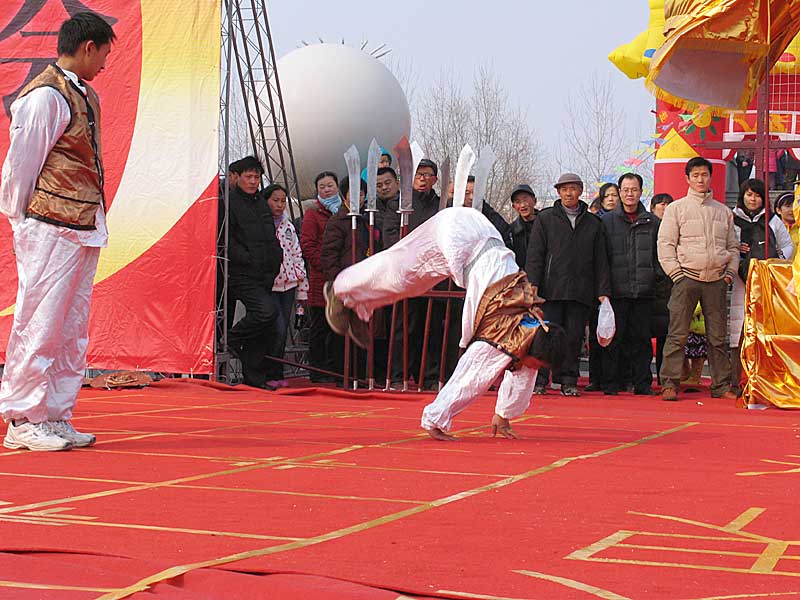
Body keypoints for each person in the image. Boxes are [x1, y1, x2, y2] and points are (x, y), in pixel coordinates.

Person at [323, 207, 566, 440]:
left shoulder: (534, 326)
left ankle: (356, 304)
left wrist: (503, 415)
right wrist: (435, 420)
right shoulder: (502, 337)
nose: (531, 369)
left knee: (411, 283)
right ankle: (340, 291)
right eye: (535, 364)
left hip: (477, 230)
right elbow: (469, 378)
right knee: (401, 276)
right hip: (459, 236)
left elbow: (524, 372)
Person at [0, 13, 115, 451]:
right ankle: (22, 418)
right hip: (48, 228)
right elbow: (20, 167)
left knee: (70, 329)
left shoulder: (86, 95)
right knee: (39, 324)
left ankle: (55, 414)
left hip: (82, 227)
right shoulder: (45, 97)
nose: (105, 62)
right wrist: (22, 222)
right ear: (89, 47)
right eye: (104, 52)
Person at [657, 157, 739, 401]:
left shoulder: (723, 211)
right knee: (677, 334)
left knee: (717, 336)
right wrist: (676, 274)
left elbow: (733, 247)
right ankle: (670, 383)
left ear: (710, 177)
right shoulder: (676, 209)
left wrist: (728, 275)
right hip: (686, 278)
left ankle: (721, 385)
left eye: (704, 174)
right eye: (696, 175)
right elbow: (665, 244)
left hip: (716, 279)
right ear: (688, 179)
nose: (700, 179)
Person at [525, 173, 611, 397]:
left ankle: (568, 380)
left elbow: (601, 259)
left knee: (574, 338)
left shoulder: (593, 223)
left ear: (580, 191)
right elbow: (535, 255)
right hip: (550, 290)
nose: (568, 193)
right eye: (564, 189)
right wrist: (532, 284)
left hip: (581, 290)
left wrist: (603, 292)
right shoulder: (545, 219)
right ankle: (540, 380)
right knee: (546, 335)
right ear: (558, 192)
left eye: (573, 189)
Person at [728, 178, 793, 390]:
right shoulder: (732, 219)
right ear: (742, 196)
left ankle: (768, 379)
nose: (753, 199)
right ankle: (736, 380)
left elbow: (787, 246)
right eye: (748, 194)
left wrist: (776, 260)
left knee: (766, 329)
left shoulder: (773, 220)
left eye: (757, 195)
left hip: (766, 281)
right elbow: (726, 243)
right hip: (740, 280)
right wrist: (736, 249)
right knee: (739, 327)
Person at [600, 173, 660, 395]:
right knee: (613, 340)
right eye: (625, 190)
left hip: (644, 290)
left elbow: (658, 256)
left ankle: (642, 383)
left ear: (641, 192)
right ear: (619, 192)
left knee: (642, 340)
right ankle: (611, 383)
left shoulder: (652, 222)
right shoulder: (606, 221)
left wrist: (656, 279)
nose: (629, 194)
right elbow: (601, 257)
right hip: (616, 291)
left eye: (634, 189)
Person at [226, 156, 283, 389]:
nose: (252, 181)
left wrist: (275, 259)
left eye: (256, 177)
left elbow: (271, 236)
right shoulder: (228, 202)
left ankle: (254, 378)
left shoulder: (261, 202)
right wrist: (247, 259)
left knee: (262, 330)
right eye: (248, 176)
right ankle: (231, 338)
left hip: (266, 273)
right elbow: (227, 239)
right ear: (237, 177)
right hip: (241, 273)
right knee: (266, 312)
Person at [300, 171, 342, 383]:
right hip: (320, 279)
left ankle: (335, 369)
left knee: (338, 325)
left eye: (330, 185)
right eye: (322, 187)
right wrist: (326, 266)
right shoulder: (312, 214)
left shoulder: (344, 212)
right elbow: (308, 245)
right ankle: (317, 370)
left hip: (341, 279)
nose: (327, 190)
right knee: (319, 326)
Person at [266, 183, 308, 388]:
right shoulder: (263, 225)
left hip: (289, 285)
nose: (280, 204)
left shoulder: (289, 226)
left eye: (283, 200)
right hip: (270, 285)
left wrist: (302, 288)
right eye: (275, 200)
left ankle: (277, 371)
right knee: (276, 328)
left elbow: (297, 256)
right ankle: (268, 370)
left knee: (283, 331)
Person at [649, 193, 674, 382]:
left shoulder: (677, 228)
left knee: (668, 337)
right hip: (648, 288)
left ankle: (665, 377)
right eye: (661, 204)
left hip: (671, 286)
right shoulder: (647, 226)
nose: (664, 208)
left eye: (668, 204)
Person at [508, 184, 538, 269]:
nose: (522, 205)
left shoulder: (547, 224)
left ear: (534, 201)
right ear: (514, 206)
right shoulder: (511, 231)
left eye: (525, 200)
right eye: (518, 202)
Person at [775, 192, 798, 259]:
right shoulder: (773, 228)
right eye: (788, 206)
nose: (792, 209)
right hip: (778, 267)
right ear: (778, 210)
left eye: (795, 206)